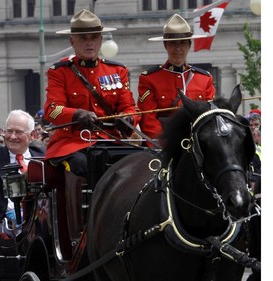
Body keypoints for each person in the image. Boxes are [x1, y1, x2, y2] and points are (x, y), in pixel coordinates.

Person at [43, 9, 139, 244]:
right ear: (72, 41)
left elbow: (131, 108)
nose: (89, 43)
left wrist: (126, 120)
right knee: (80, 165)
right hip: (72, 143)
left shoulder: (117, 71)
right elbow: (52, 110)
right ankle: (80, 233)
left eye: (94, 37)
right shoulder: (59, 72)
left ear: (100, 40)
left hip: (111, 140)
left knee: (139, 163)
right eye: (83, 38)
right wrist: (76, 114)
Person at [137, 13, 216, 145]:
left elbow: (210, 115)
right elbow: (149, 120)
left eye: (183, 43)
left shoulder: (204, 78)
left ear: (189, 46)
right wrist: (164, 145)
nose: (178, 48)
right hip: (165, 145)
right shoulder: (150, 78)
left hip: (199, 144)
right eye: (173, 44)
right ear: (165, 46)